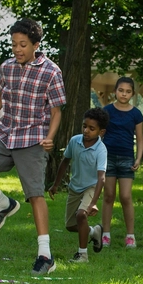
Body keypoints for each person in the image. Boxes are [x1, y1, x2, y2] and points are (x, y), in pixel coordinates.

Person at [0, 19, 65, 275]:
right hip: (6, 134)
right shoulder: (7, 67)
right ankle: (3, 204)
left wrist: (50, 137)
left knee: (35, 194)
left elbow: (56, 111)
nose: (17, 49)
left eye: (22, 45)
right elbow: (1, 95)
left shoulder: (51, 71)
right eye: (14, 44)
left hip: (32, 138)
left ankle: (45, 255)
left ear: (36, 45)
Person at [50, 108, 109, 263]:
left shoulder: (101, 150)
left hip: (91, 186)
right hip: (75, 186)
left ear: (101, 131)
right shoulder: (75, 141)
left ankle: (82, 255)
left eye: (91, 128)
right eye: (84, 126)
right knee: (70, 225)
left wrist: (94, 203)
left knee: (81, 215)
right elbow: (65, 162)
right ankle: (94, 232)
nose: (86, 131)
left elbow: (101, 178)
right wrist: (56, 184)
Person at [99, 76, 143, 249]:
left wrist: (138, 158)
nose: (124, 94)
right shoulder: (107, 111)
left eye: (128, 91)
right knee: (109, 196)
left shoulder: (136, 114)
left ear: (132, 94)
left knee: (125, 196)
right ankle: (106, 235)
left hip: (127, 158)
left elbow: (140, 139)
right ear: (115, 91)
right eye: (121, 90)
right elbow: (99, 136)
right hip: (108, 158)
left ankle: (130, 236)